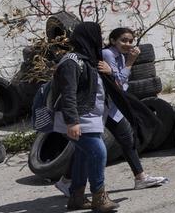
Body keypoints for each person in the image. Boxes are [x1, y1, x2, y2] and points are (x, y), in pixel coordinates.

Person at [55, 28, 168, 198]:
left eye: (130, 41)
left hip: (108, 107)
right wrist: (130, 62)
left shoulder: (116, 56)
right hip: (99, 108)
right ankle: (95, 193)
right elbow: (118, 83)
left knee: (124, 139)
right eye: (123, 40)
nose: (128, 44)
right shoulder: (105, 55)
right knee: (96, 150)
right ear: (113, 40)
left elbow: (116, 82)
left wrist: (122, 66)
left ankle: (139, 177)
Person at [52, 22, 119, 212]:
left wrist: (110, 71)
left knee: (82, 156)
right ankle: (99, 197)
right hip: (77, 119)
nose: (101, 39)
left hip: (91, 118)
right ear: (89, 36)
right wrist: (72, 122)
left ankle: (76, 198)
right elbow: (68, 94)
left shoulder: (89, 59)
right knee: (99, 152)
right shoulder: (71, 61)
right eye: (99, 35)